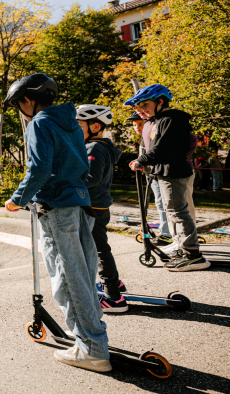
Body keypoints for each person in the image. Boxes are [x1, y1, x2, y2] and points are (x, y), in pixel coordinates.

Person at [3, 74, 110, 372]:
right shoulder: (71, 122)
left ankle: (92, 349)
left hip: (56, 206)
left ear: (27, 99)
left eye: (18, 104)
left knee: (68, 278)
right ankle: (92, 338)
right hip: (80, 203)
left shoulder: (39, 123)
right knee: (84, 274)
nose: (20, 111)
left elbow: (38, 168)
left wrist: (18, 198)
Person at [126, 84, 208, 271]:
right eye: (137, 107)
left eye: (144, 105)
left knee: (178, 212)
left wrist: (142, 160)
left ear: (160, 101)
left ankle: (193, 255)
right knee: (172, 212)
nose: (140, 110)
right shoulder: (158, 120)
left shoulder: (171, 120)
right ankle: (182, 247)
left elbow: (164, 148)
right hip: (164, 171)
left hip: (174, 171)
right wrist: (144, 160)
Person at [75, 105, 126, 313]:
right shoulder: (98, 146)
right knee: (99, 247)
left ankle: (114, 296)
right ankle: (114, 283)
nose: (74, 130)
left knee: (98, 249)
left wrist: (65, 185)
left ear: (95, 127)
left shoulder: (94, 147)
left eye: (79, 126)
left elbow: (91, 178)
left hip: (92, 206)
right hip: (97, 204)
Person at [129, 112, 171, 244]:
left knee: (162, 202)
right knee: (158, 202)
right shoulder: (144, 139)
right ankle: (165, 231)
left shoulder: (153, 137)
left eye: (140, 124)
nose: (137, 127)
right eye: (134, 125)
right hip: (150, 174)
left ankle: (166, 233)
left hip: (157, 173)